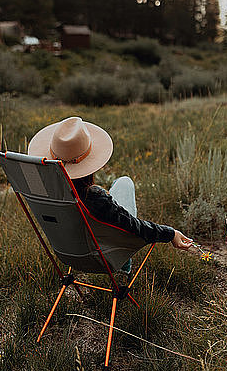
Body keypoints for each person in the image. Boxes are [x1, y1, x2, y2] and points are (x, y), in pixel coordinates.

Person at [28, 116, 193, 272]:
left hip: (66, 255)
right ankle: (125, 263)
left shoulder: (43, 191)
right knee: (124, 182)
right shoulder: (94, 197)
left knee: (119, 185)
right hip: (103, 257)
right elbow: (135, 227)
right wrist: (170, 233)